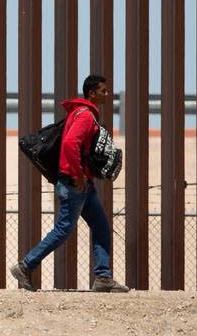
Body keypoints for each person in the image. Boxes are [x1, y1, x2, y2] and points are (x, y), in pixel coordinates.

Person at [10, 74, 129, 293]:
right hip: (75, 182)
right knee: (64, 229)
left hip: (82, 183)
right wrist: (78, 176)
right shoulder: (85, 116)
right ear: (92, 93)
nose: (107, 94)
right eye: (103, 91)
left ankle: (103, 277)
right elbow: (70, 144)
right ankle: (25, 266)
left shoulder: (83, 113)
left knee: (101, 227)